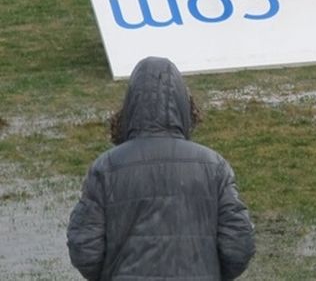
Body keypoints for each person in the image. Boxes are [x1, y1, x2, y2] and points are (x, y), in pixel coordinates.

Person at [66, 56, 255, 279]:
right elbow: (238, 244)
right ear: (184, 105)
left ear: (130, 106)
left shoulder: (105, 168)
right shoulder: (214, 167)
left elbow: (84, 247)